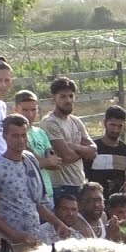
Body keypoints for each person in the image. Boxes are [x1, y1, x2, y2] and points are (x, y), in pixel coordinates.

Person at [0, 114, 70, 252]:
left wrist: (57, 223)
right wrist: (16, 236)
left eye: (23, 135)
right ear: (5, 136)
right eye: (15, 136)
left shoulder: (30, 159)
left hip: (35, 237)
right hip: (12, 242)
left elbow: (37, 203)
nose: (20, 140)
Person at [42, 76, 97, 204]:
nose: (68, 100)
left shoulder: (76, 121)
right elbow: (66, 156)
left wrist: (75, 147)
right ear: (53, 99)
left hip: (79, 183)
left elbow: (94, 151)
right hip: (61, 187)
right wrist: (85, 151)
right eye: (63, 96)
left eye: (71, 96)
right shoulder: (50, 123)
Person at [13, 90, 63, 203]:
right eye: (25, 110)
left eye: (33, 110)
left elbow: (55, 163)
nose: (30, 114)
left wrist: (45, 161)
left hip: (48, 193)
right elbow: (29, 164)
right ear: (16, 109)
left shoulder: (40, 132)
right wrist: (46, 162)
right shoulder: (16, 136)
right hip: (28, 195)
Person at [85, 105, 126, 196]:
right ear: (105, 123)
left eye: (119, 126)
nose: (115, 130)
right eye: (112, 125)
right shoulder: (92, 149)